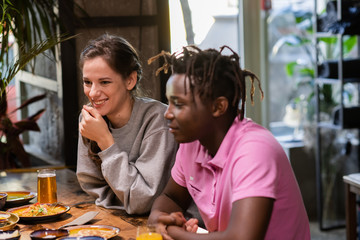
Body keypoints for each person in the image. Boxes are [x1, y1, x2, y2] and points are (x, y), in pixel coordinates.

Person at [147, 45, 311, 239]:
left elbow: (242, 238)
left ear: (218, 106)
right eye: (169, 102)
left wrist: (174, 232)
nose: (168, 113)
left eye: (179, 104)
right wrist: (158, 217)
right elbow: (171, 197)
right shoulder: (192, 144)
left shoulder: (255, 150)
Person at [76, 34, 177, 215]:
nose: (93, 93)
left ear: (130, 80)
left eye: (105, 82)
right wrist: (125, 198)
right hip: (117, 218)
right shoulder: (90, 118)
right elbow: (89, 182)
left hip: (165, 225)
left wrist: (105, 141)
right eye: (87, 82)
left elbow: (143, 201)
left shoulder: (158, 120)